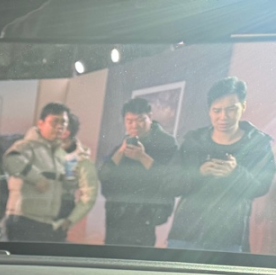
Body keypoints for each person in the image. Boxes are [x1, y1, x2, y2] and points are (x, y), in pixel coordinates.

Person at [166, 77, 276, 253]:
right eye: (217, 110)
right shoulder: (193, 141)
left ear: (243, 106)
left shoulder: (258, 144)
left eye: (231, 109)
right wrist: (199, 173)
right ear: (209, 110)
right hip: (185, 234)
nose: (223, 117)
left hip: (229, 237)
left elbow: (261, 188)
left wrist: (235, 173)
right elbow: (170, 184)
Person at [98, 97, 179, 247]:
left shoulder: (166, 142)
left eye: (140, 120)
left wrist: (142, 157)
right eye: (129, 121)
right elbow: (103, 175)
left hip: (145, 215)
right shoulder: (126, 142)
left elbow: (171, 179)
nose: (134, 125)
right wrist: (121, 151)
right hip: (117, 214)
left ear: (150, 117)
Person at [3, 102, 71, 242]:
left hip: (47, 223)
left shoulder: (59, 154)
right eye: (55, 122)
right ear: (41, 123)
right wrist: (36, 178)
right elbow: (11, 160)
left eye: (63, 122)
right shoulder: (27, 146)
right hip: (24, 220)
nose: (60, 126)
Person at [57, 112, 99, 235]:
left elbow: (89, 195)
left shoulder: (81, 160)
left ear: (66, 132)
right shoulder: (42, 149)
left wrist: (70, 220)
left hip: (61, 208)